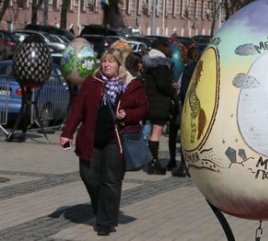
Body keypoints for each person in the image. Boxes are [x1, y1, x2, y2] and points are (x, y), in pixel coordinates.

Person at [60, 48, 148, 236]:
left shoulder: (131, 84)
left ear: (119, 64)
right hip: (90, 138)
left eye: (111, 61)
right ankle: (102, 208)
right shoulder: (92, 82)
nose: (106, 64)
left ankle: (105, 222)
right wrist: (67, 133)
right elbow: (78, 109)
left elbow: (143, 109)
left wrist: (127, 115)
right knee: (88, 176)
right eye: (104, 61)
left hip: (116, 140)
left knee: (111, 181)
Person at [142, 41, 177, 175]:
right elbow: (163, 85)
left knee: (153, 132)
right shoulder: (161, 66)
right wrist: (171, 90)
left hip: (152, 101)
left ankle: (152, 162)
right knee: (156, 132)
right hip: (159, 103)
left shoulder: (150, 64)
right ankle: (154, 162)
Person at [173, 47, 201, 177]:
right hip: (203, 107)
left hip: (190, 106)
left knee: (187, 137)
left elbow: (184, 91)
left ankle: (185, 166)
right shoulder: (205, 67)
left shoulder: (189, 68)